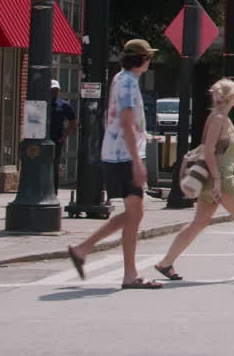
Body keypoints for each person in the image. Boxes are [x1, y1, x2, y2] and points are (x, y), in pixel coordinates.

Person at [153, 78, 234, 282]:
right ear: (229, 97)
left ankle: (166, 263)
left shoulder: (223, 118)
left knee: (199, 222)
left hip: (214, 178)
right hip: (222, 177)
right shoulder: (217, 119)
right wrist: (217, 180)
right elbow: (207, 149)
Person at [66, 39, 161, 289]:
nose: (150, 61)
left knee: (134, 213)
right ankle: (129, 275)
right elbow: (128, 124)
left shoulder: (120, 78)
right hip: (124, 156)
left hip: (116, 154)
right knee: (134, 214)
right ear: (141, 59)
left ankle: (83, 249)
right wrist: (138, 163)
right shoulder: (128, 82)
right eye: (148, 57)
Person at [48, 80, 77, 191]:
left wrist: (64, 136)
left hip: (56, 140)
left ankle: (54, 191)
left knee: (54, 166)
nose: (54, 92)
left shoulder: (63, 105)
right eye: (52, 90)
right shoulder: (43, 103)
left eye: (56, 90)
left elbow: (73, 121)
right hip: (42, 140)